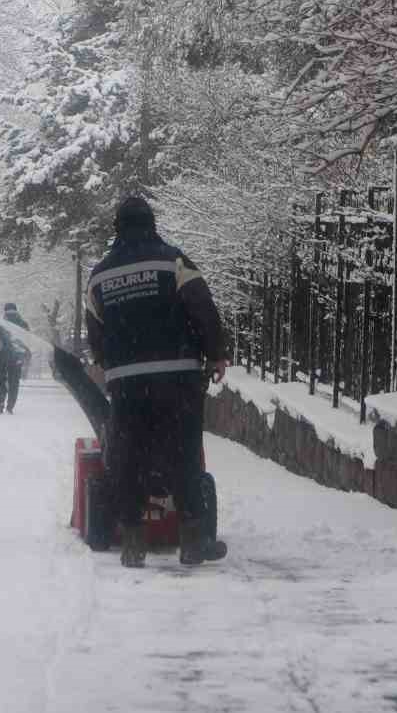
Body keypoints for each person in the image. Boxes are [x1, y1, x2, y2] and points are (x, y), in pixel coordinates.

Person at [85, 195, 229, 568]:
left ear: (117, 227)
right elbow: (201, 306)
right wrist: (214, 352)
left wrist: (109, 364)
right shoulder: (173, 261)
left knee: (128, 456)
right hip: (176, 377)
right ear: (151, 222)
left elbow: (95, 332)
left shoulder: (99, 275)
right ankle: (193, 540)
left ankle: (133, 543)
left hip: (127, 384)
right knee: (183, 454)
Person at [0, 305, 29, 414]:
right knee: (14, 381)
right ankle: (10, 406)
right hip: (17, 357)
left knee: (1, 379)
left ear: (5, 311)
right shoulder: (23, 324)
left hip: (2, 356)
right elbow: (27, 341)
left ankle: (1, 403)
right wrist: (25, 356)